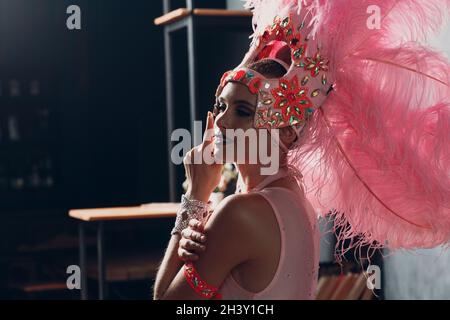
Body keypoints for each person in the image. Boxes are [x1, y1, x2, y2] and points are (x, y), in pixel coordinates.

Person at [153, 0, 450, 300]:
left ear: (284, 129)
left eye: (243, 111)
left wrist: (194, 197)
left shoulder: (241, 213)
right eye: (221, 106)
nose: (221, 121)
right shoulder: (293, 198)